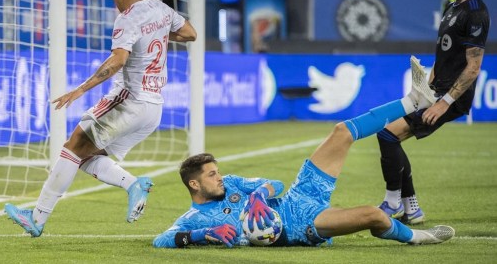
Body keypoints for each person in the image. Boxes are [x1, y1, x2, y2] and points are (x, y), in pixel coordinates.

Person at [153, 57, 455, 248]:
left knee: (341, 132)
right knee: (374, 215)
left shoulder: (231, 183)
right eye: (211, 175)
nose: (219, 177)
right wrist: (198, 236)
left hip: (299, 194)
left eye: (217, 171)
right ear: (194, 184)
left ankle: (414, 100)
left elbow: (277, 184)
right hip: (302, 223)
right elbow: (161, 239)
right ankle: (417, 237)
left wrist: (259, 193)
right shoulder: (194, 219)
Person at [5, 0, 197, 237]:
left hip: (128, 100)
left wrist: (81, 89)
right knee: (82, 157)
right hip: (153, 108)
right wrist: (160, 36)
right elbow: (190, 34)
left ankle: (37, 218)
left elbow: (118, 61)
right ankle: (132, 184)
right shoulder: (161, 8)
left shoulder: (127, 17)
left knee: (73, 147)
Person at [376, 0, 489, 225]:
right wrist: (422, 91)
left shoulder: (476, 13)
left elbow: (473, 67)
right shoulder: (452, 7)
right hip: (435, 91)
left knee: (388, 136)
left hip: (452, 97)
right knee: (391, 137)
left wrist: (443, 103)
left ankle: (392, 201)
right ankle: (412, 209)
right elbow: (443, 57)